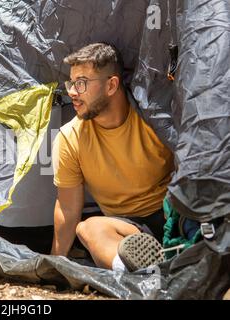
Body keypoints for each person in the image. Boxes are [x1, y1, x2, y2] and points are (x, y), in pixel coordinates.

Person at [51, 43, 174, 272]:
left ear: (111, 85)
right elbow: (68, 210)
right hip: (128, 228)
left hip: (171, 214)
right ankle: (142, 272)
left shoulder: (154, 120)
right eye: (70, 83)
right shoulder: (69, 138)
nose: (72, 92)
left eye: (81, 83)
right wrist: (55, 264)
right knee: (88, 229)